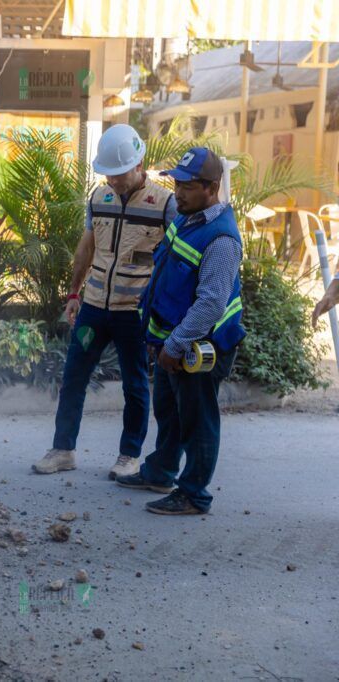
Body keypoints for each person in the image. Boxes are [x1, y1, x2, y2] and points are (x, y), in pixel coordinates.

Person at [33, 124, 177, 480]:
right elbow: (86, 249)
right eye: (108, 174)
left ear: (139, 162)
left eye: (119, 173)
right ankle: (63, 449)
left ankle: (129, 456)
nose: (113, 180)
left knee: (134, 385)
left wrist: (163, 312)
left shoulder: (165, 204)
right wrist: (73, 293)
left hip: (134, 314)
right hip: (94, 308)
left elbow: (176, 262)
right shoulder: (100, 199)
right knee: (73, 378)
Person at [116, 147, 246, 515]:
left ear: (212, 187)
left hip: (202, 345)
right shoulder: (188, 219)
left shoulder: (221, 240)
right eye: (177, 183)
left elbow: (210, 304)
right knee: (170, 410)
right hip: (175, 340)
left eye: (188, 186)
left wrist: (174, 344)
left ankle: (194, 494)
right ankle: (161, 471)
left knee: (197, 418)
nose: (179, 192)